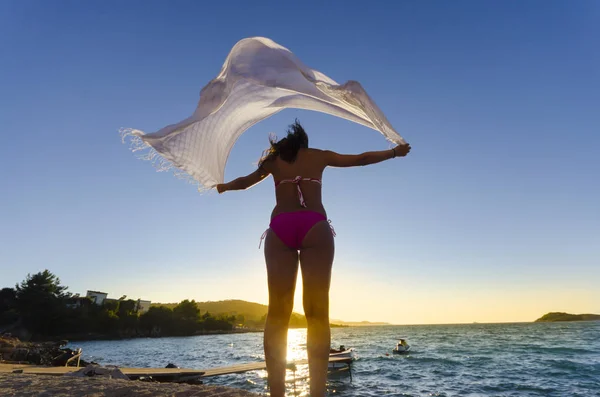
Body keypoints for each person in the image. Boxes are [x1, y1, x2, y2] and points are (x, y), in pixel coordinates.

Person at [216, 120, 411, 397]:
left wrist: (223, 186)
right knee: (317, 314)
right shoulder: (318, 155)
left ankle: (277, 394)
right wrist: (393, 152)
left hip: (280, 229)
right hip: (314, 227)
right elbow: (362, 159)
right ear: (303, 142)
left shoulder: (273, 161)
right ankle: (317, 392)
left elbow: (245, 183)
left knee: (277, 315)